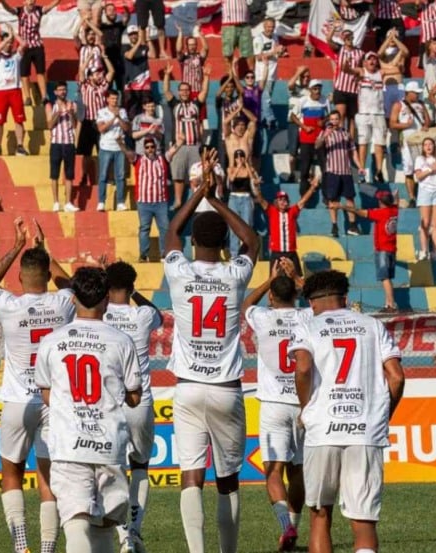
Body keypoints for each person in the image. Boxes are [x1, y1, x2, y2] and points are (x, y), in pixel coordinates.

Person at [163, 160, 260, 553]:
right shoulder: (235, 274)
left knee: (191, 474)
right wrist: (217, 199)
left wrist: (197, 195)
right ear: (224, 246)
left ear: (192, 244)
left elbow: (170, 230)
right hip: (225, 387)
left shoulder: (179, 271)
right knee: (228, 479)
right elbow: (252, 240)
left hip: (187, 387)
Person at [290, 270, 405, 553]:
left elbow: (302, 368)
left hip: (323, 428)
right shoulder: (372, 325)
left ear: (312, 303)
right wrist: (382, 415)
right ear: (345, 298)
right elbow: (397, 377)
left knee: (320, 516)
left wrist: (306, 408)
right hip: (364, 429)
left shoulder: (309, 326)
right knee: (363, 521)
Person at [0, 217, 74, 553]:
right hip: (53, 402)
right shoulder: (63, 303)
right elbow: (69, 282)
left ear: (19, 278)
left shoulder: (9, 305)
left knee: (11, 474)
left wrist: (18, 245)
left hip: (18, 401)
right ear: (48, 276)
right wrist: (43, 248)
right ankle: (48, 548)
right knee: (48, 479)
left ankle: (21, 546)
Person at [34, 267, 142, 553]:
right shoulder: (121, 341)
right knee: (106, 523)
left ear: (72, 299)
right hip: (108, 441)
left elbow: (46, 394)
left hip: (70, 442)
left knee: (75, 519)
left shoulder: (51, 341)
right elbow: (134, 396)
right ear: (106, 299)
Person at [241, 258, 309, 551]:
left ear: (271, 296)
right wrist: (297, 278)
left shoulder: (262, 317)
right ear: (295, 293)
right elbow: (325, 302)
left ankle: (286, 527)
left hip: (272, 402)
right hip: (303, 401)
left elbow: (245, 305)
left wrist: (271, 279)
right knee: (299, 471)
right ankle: (294, 524)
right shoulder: (309, 316)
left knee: (273, 468)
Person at [102, 261, 163, 553]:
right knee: (140, 466)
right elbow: (158, 314)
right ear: (131, 285)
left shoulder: (98, 315)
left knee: (113, 468)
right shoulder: (142, 315)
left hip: (108, 402)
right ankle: (136, 532)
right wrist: (135, 293)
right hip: (140, 401)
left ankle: (123, 533)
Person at [341, 189, 400, 312]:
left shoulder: (381, 213)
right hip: (392, 249)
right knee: (387, 278)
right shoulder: (394, 210)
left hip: (382, 250)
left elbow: (361, 212)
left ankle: (391, 305)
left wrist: (343, 206)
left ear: (381, 202)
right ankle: (387, 303)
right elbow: (396, 200)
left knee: (385, 278)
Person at [344, 52, 399, 183]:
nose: (372, 62)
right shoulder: (362, 72)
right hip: (364, 114)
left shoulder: (381, 73)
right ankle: (362, 171)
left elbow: (397, 69)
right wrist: (347, 62)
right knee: (363, 144)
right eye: (370, 59)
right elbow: (347, 69)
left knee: (379, 143)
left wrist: (381, 62)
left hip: (378, 113)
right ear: (364, 62)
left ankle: (379, 172)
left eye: (374, 59)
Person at [164, 63, 210, 209]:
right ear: (178, 92)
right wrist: (167, 75)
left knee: (196, 175)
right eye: (182, 90)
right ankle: (178, 200)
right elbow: (166, 90)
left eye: (187, 90)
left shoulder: (196, 104)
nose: (184, 92)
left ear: (190, 92)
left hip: (195, 145)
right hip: (179, 146)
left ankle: (195, 200)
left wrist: (207, 77)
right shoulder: (175, 104)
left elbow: (204, 92)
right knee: (178, 175)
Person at [119, 136, 171, 262]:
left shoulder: (162, 159)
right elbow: (127, 153)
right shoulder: (138, 160)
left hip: (161, 201)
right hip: (144, 202)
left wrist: (180, 143)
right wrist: (120, 143)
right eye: (147, 147)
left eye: (152, 147)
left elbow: (173, 151)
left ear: (155, 148)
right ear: (144, 149)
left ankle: (164, 254)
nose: (150, 149)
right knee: (144, 229)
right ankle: (143, 255)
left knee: (164, 228)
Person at [0, 0, 58, 106]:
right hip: (24, 47)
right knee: (24, 73)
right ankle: (27, 97)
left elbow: (51, 6)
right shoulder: (20, 11)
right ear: (24, 2)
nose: (31, 2)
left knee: (40, 72)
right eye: (28, 0)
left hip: (37, 45)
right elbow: (9, 9)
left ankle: (44, 96)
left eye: (33, 1)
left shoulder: (39, 10)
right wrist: (2, 1)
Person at [317, 110, 367, 237]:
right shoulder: (325, 133)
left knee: (350, 199)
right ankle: (334, 226)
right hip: (332, 171)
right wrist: (324, 136)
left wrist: (360, 166)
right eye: (332, 119)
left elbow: (353, 152)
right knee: (333, 200)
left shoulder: (346, 134)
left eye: (336, 119)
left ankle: (352, 225)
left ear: (340, 120)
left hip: (346, 171)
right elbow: (316, 146)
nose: (334, 122)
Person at [255, 183, 320, 275]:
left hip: (291, 253)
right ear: (276, 202)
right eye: (280, 200)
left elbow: (303, 200)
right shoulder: (272, 211)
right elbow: (261, 200)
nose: (283, 202)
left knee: (298, 279)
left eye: (285, 200)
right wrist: (256, 187)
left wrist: (312, 187)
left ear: (288, 202)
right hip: (276, 253)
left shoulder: (292, 211)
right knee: (273, 281)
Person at [389, 81, 431, 207]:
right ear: (408, 93)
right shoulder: (398, 105)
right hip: (407, 141)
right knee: (409, 169)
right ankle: (412, 197)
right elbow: (392, 123)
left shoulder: (421, 104)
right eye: (415, 93)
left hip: (421, 140)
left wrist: (425, 126)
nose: (417, 95)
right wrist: (405, 125)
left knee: (425, 167)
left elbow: (427, 120)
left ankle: (425, 196)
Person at [77, 56, 113, 187]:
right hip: (88, 121)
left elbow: (111, 72)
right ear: (90, 76)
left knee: (103, 151)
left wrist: (105, 58)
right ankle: (84, 176)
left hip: (100, 123)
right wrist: (89, 58)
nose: (99, 75)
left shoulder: (103, 85)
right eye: (96, 73)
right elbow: (81, 71)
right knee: (86, 153)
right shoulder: (85, 86)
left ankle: (105, 177)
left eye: (99, 72)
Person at [291, 79, 329, 201]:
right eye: (315, 89)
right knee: (305, 169)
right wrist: (304, 127)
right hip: (306, 139)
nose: (317, 92)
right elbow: (292, 116)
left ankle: (327, 195)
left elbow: (330, 115)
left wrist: (324, 121)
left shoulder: (325, 101)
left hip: (320, 139)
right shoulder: (303, 101)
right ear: (310, 90)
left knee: (325, 168)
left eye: (319, 89)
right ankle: (304, 196)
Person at [0, 29, 28, 156]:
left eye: (10, 42)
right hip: (1, 91)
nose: (9, 44)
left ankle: (20, 145)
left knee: (19, 120)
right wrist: (7, 38)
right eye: (6, 42)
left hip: (15, 90)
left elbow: (24, 44)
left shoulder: (16, 56)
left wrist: (14, 34)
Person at [47, 81, 80, 212]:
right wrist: (58, 113)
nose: (63, 92)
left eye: (64, 89)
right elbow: (49, 125)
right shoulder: (51, 106)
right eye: (60, 90)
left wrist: (71, 113)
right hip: (56, 142)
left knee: (69, 174)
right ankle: (56, 202)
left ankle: (68, 202)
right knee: (54, 174)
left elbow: (75, 124)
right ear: (55, 92)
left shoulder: (72, 104)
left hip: (69, 142)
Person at [414, 137, 436, 261]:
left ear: (434, 146)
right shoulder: (420, 159)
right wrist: (430, 169)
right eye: (425, 144)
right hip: (425, 191)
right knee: (425, 221)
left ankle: (435, 251)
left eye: (430, 144)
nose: (428, 147)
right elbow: (418, 176)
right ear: (423, 147)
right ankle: (424, 250)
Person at [96, 89, 131, 211]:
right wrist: (113, 119)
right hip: (106, 147)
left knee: (120, 176)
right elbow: (101, 129)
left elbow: (126, 128)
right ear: (107, 99)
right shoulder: (102, 112)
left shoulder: (123, 111)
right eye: (112, 98)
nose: (114, 101)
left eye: (116, 98)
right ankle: (101, 201)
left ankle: (120, 202)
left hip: (119, 147)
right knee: (103, 175)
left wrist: (119, 117)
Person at [326, 28, 364, 130]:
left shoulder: (360, 52)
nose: (349, 39)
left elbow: (363, 69)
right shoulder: (340, 49)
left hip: (353, 89)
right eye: (346, 37)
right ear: (343, 39)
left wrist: (360, 76)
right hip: (341, 88)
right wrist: (333, 27)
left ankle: (350, 141)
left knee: (352, 118)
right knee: (341, 115)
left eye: (350, 37)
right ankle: (340, 137)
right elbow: (328, 40)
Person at [225, 150, 260, 257]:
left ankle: (247, 251)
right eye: (237, 157)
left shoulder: (250, 169)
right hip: (234, 198)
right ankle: (234, 254)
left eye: (241, 157)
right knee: (233, 226)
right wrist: (238, 167)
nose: (239, 159)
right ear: (234, 159)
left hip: (246, 197)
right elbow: (231, 179)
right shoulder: (230, 169)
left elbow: (252, 178)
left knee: (247, 225)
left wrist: (247, 166)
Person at [122, 25, 150, 112]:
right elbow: (129, 56)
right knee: (131, 111)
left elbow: (152, 55)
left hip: (145, 84)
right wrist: (139, 42)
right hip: (130, 84)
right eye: (131, 34)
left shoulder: (144, 47)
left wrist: (148, 39)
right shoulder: (125, 47)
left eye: (135, 34)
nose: (133, 36)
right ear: (128, 36)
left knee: (146, 110)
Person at [221, 0, 253, 70]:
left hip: (244, 23)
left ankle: (249, 75)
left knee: (248, 54)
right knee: (228, 54)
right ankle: (229, 77)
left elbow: (250, 2)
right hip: (228, 24)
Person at [177, 29, 208, 97]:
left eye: (194, 44)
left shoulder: (199, 56)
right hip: (186, 92)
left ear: (196, 45)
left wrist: (200, 34)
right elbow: (178, 50)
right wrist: (180, 33)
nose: (192, 47)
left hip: (198, 91)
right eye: (190, 45)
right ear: (187, 46)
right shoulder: (183, 57)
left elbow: (206, 48)